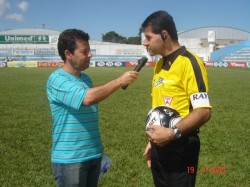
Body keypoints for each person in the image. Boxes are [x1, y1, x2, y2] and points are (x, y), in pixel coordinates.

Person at [46, 28, 139, 187]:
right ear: (68, 54)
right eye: (85, 51)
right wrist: (119, 81)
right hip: (70, 159)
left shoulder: (86, 79)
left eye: (89, 50)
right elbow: (87, 98)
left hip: (94, 154)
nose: (90, 55)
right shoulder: (56, 79)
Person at [141, 10, 212, 187]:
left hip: (182, 146)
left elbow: (203, 111)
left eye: (148, 37)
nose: (145, 43)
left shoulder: (189, 62)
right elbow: (159, 110)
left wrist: (173, 133)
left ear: (164, 35)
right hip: (160, 144)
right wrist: (153, 142)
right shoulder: (159, 64)